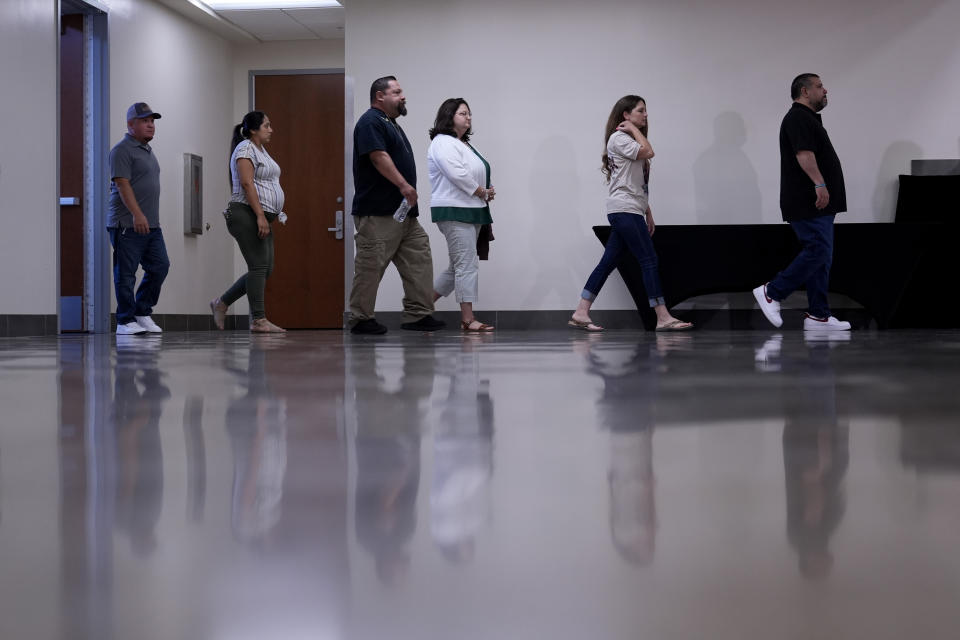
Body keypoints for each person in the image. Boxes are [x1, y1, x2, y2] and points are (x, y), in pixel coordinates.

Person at [571, 95, 692, 332]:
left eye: (645, 111)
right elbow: (649, 151)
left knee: (608, 262)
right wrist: (635, 131)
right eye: (640, 111)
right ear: (626, 115)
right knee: (649, 260)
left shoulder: (626, 140)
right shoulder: (619, 139)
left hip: (631, 208)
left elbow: (635, 183)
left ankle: (581, 311)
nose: (645, 115)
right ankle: (663, 316)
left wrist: (647, 211)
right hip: (624, 210)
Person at [753, 74, 851, 331]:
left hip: (818, 202)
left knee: (823, 257)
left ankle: (819, 315)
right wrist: (820, 184)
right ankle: (772, 291)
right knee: (818, 250)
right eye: (819, 86)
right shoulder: (798, 117)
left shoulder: (808, 119)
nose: (825, 89)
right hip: (808, 200)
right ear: (805, 91)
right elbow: (803, 154)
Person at [348, 76, 445, 335]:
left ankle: (417, 315)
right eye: (397, 92)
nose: (403, 96)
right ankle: (361, 318)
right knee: (371, 265)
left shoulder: (391, 124)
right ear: (380, 96)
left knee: (419, 258)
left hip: (405, 216)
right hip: (379, 212)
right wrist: (403, 185)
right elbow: (378, 156)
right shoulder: (370, 122)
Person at [210, 111, 286, 333]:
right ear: (253, 130)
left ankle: (221, 303)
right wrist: (261, 215)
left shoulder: (261, 150)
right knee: (259, 267)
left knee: (265, 269)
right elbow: (246, 183)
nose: (271, 129)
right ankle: (259, 320)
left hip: (258, 214)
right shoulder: (245, 149)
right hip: (245, 214)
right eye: (267, 125)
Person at [427, 98, 496, 332]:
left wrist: (487, 189)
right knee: (466, 265)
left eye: (469, 114)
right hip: (455, 211)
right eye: (463, 113)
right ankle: (468, 319)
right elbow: (457, 174)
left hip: (471, 210)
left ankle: (419, 307)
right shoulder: (443, 142)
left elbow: (476, 171)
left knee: (457, 267)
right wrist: (481, 191)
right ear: (449, 116)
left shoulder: (464, 143)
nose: (468, 117)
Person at [107, 102, 170, 335]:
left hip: (151, 224)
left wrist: (148, 217)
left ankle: (142, 312)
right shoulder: (122, 150)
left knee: (160, 266)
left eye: (152, 121)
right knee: (126, 273)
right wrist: (137, 214)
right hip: (127, 223)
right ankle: (125, 321)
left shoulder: (147, 150)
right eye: (145, 121)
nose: (150, 125)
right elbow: (122, 185)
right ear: (130, 124)